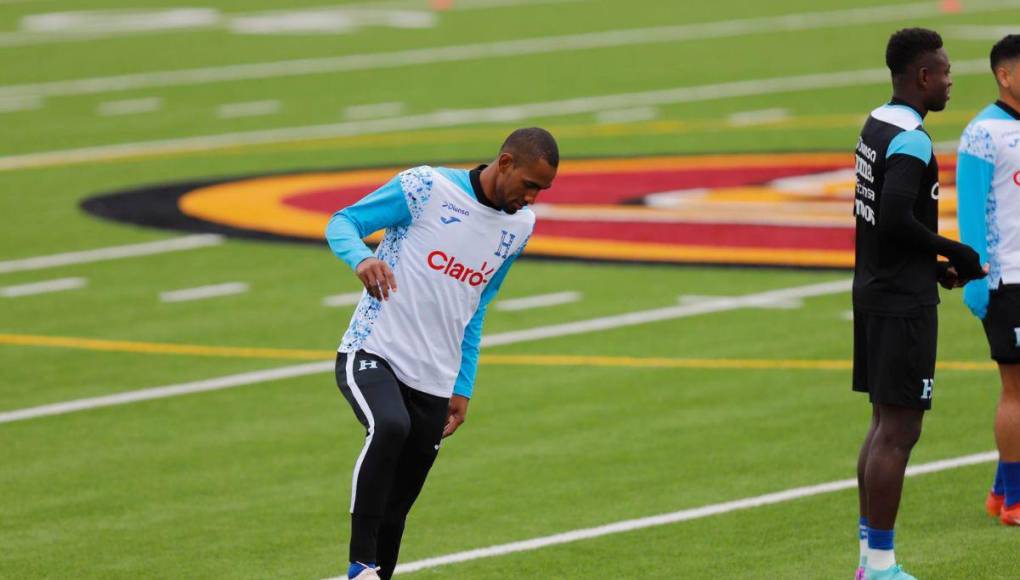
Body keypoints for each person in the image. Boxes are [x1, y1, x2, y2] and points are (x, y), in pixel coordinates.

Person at [324, 127, 558, 580]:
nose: (533, 198)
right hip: (374, 351)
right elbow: (343, 221)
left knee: (399, 505)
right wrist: (362, 259)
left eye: (542, 190)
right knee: (390, 426)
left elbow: (478, 305)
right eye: (530, 184)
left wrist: (463, 385)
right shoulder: (426, 188)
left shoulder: (520, 227)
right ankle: (359, 565)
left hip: (436, 379)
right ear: (505, 163)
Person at [851, 28, 985, 580]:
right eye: (946, 72)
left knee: (884, 422)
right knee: (900, 429)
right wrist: (957, 249)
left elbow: (880, 226)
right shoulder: (913, 140)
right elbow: (899, 218)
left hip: (876, 287)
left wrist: (933, 267)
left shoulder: (875, 123)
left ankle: (867, 560)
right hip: (902, 304)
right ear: (923, 77)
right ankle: (880, 566)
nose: (952, 82)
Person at [957, 33, 1020, 527]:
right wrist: (977, 279)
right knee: (1015, 389)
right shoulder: (983, 133)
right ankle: (1016, 501)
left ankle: (1001, 493)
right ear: (1005, 74)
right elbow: (971, 213)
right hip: (1008, 280)